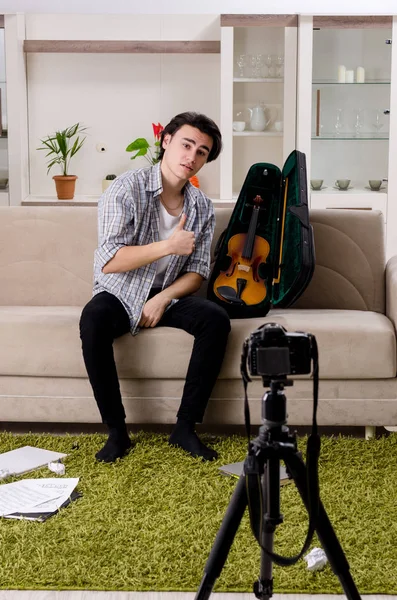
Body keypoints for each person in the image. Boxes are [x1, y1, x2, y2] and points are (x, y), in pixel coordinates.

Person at [79, 112, 231, 463]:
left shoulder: (202, 207)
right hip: (121, 292)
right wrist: (167, 246)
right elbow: (109, 260)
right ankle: (117, 433)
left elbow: (197, 271)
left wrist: (163, 298)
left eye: (202, 152)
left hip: (169, 296)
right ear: (166, 141)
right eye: (186, 145)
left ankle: (185, 429)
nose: (191, 157)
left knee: (215, 319)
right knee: (93, 320)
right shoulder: (126, 188)